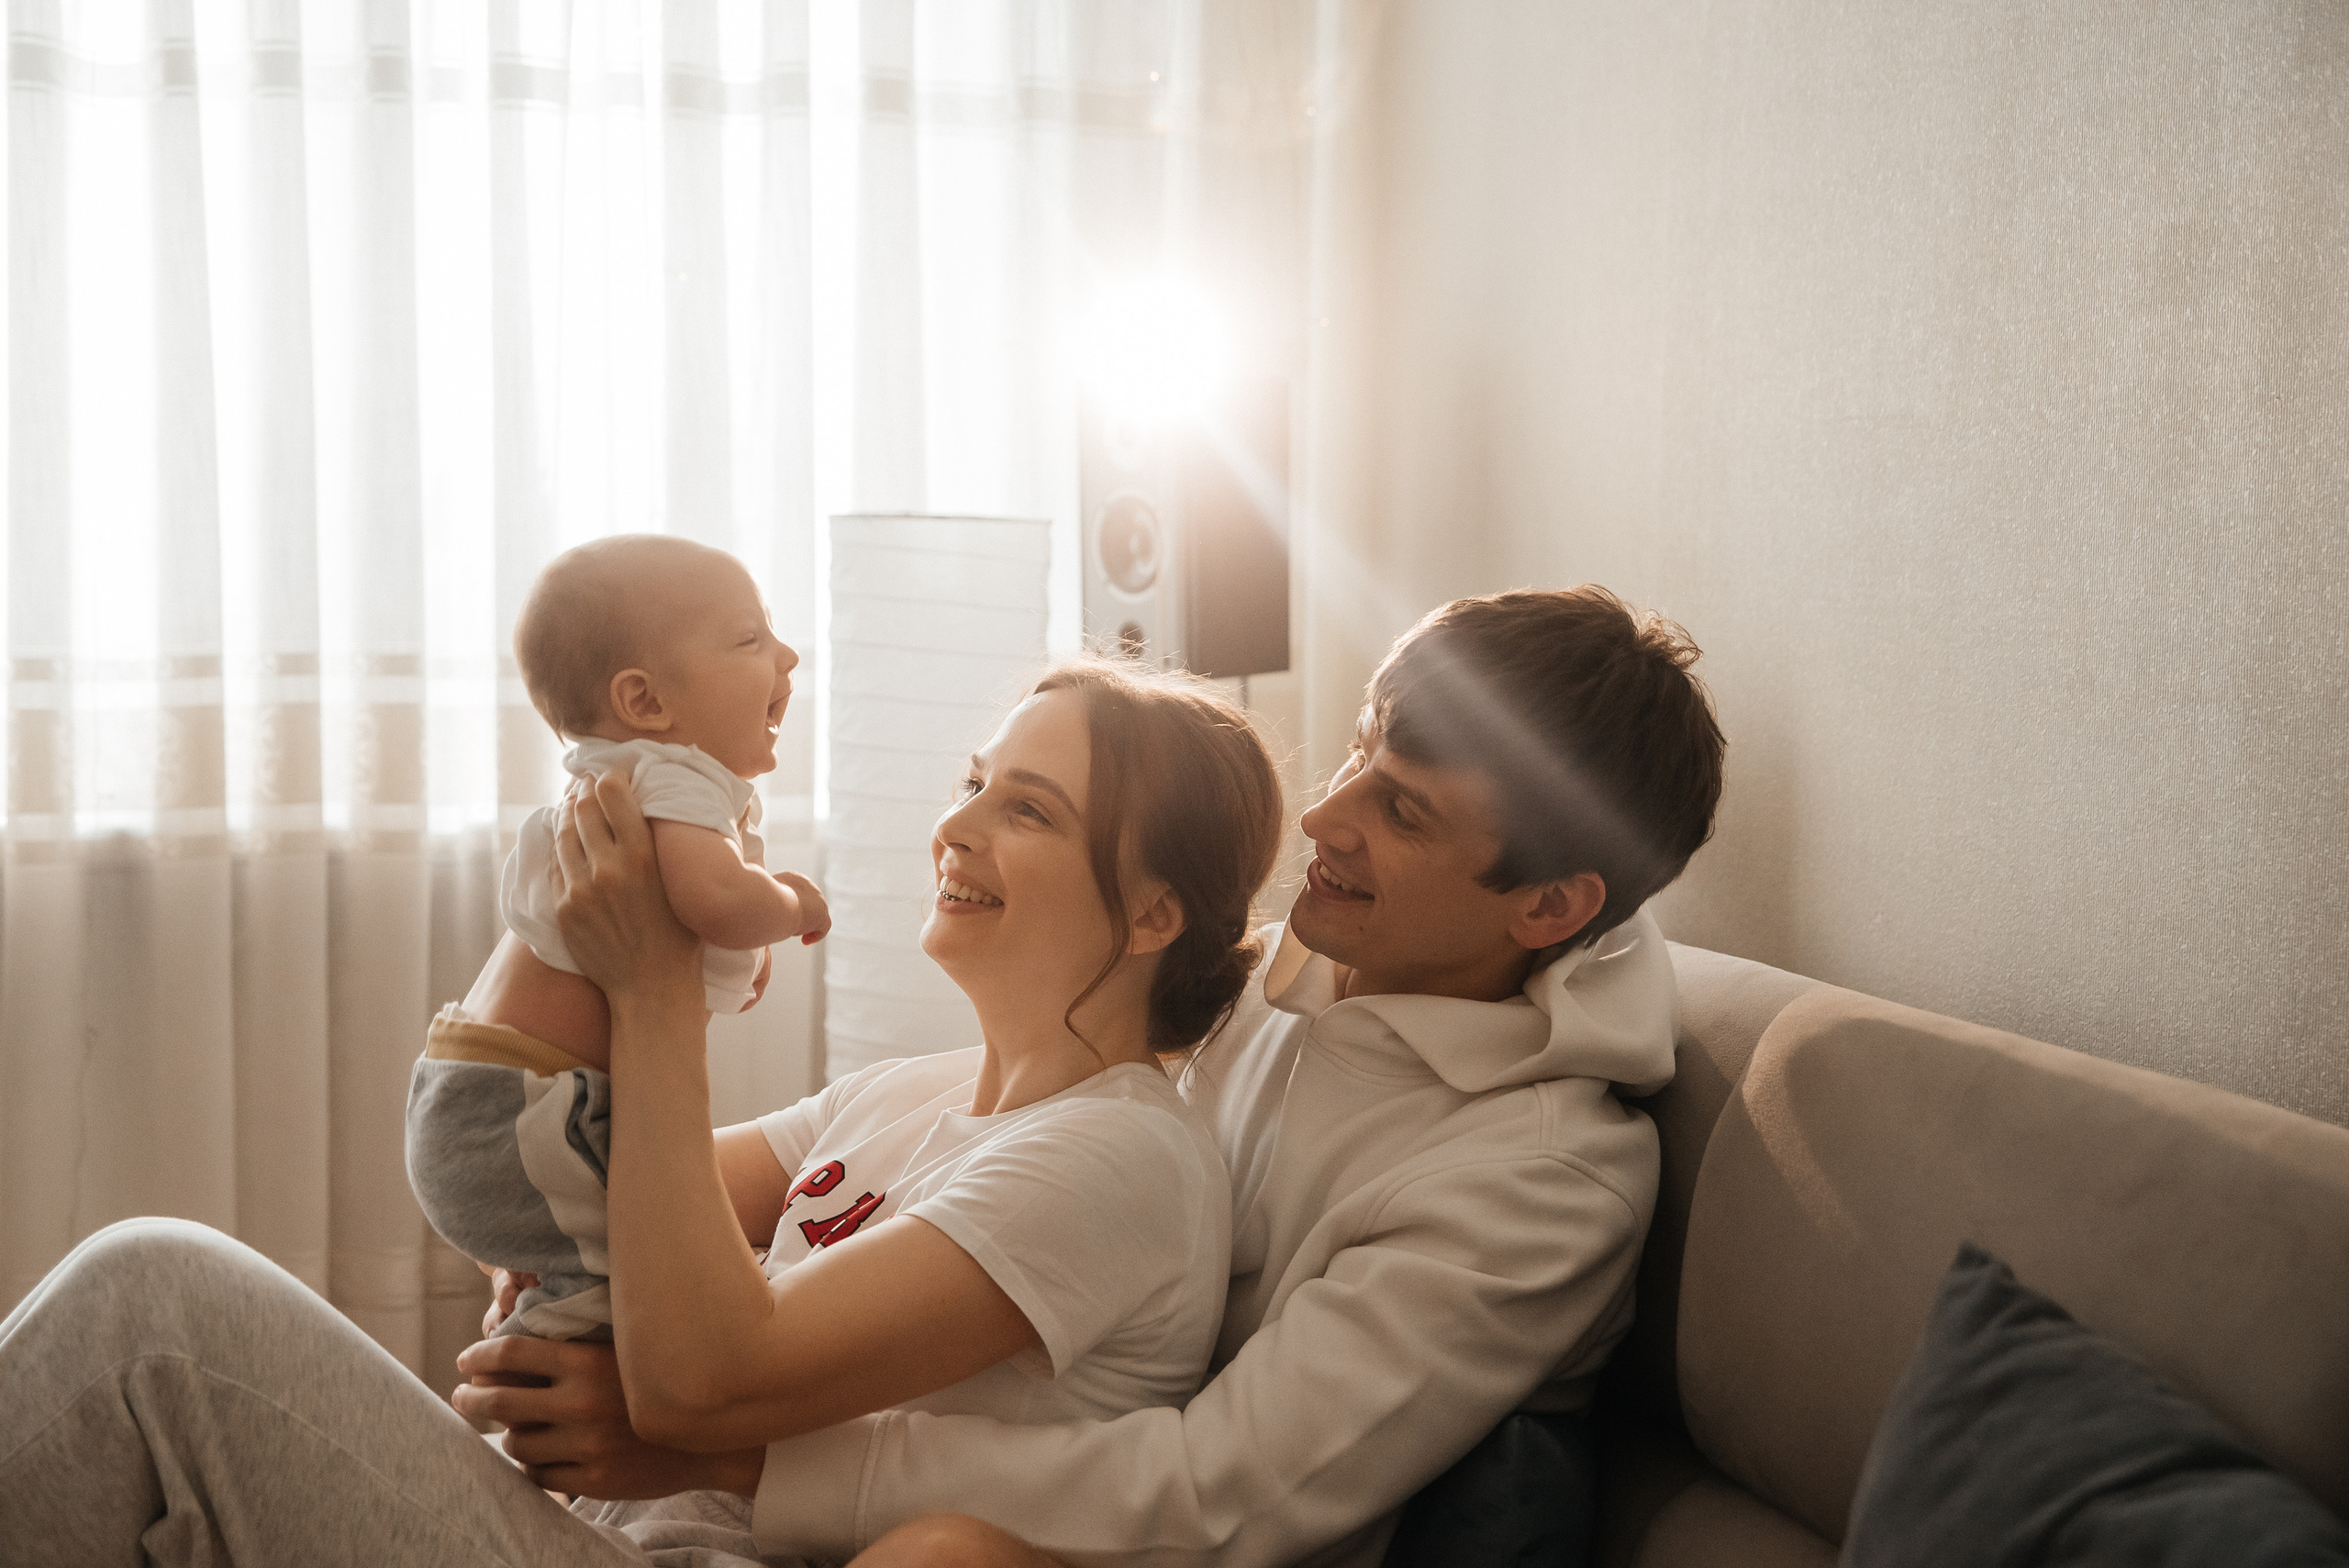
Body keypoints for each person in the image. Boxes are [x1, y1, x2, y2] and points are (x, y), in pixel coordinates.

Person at [456, 584, 1727, 1568]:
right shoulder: (1261, 983)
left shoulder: (1540, 1179)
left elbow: (1218, 1494)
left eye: (1404, 812)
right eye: (1356, 754)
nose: (1324, 819)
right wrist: (571, 1237)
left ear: (1550, 906)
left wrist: (737, 1452)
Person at [0, 658, 1285, 1567]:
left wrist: (656, 991)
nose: (954, 823)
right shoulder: (914, 1092)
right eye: (974, 779)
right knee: (151, 1399)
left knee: (151, 1311)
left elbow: (703, 1379)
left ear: (1152, 912)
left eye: (1027, 807)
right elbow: (559, 1190)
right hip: (585, 1525)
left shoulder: (1122, 1151)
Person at [409, 533, 831, 1341]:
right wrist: (791, 904)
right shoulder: (675, 775)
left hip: (486, 1095)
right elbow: (715, 896)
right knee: (653, 1268)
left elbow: (690, 911)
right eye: (750, 638)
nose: (788, 656)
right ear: (645, 702)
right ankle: (543, 1350)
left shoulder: (628, 778)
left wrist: (739, 952)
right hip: (528, 1107)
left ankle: (540, 1310)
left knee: (640, 1249)